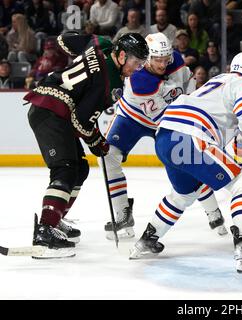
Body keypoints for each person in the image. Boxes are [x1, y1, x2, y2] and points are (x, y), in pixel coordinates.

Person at [129, 52, 242, 273]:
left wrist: (240, 147)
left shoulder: (218, 81)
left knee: (184, 194)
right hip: (191, 137)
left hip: (166, 137)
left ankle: (147, 239)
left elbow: (233, 136)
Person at [23, 32, 149, 258]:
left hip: (53, 106)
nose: (137, 69)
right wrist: (98, 143)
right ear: (121, 56)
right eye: (136, 63)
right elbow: (81, 123)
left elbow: (63, 39)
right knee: (65, 169)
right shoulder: (111, 85)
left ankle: (56, 218)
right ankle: (45, 231)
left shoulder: (101, 43)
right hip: (51, 111)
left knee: (80, 169)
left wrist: (83, 59)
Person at [101, 33, 227, 240]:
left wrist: (192, 101)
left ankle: (213, 211)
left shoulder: (174, 59)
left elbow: (190, 80)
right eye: (157, 59)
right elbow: (161, 116)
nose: (163, 64)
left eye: (165, 58)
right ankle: (122, 214)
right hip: (134, 118)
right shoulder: (139, 80)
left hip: (168, 115)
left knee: (188, 160)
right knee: (108, 156)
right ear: (146, 58)